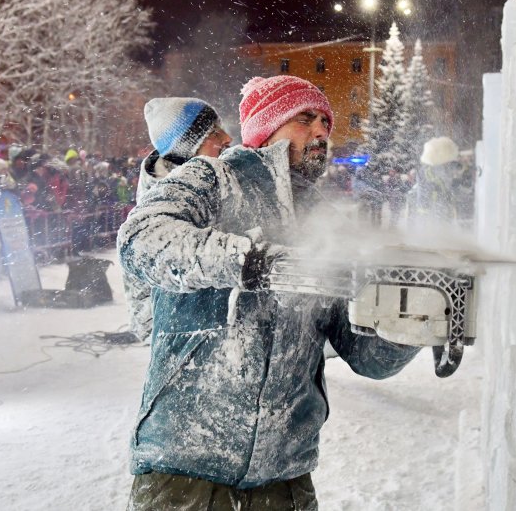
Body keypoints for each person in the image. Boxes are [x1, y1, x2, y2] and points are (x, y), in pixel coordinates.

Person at [118, 75, 420, 510]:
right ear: (267, 127)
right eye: (305, 118)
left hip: (284, 478)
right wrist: (250, 261)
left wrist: (408, 322)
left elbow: (364, 354)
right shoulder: (213, 180)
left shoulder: (327, 223)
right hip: (184, 466)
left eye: (326, 123)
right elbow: (141, 239)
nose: (321, 132)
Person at [123, 97, 233, 342]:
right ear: (186, 149)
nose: (227, 138)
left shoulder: (217, 185)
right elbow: (144, 315)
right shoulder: (157, 214)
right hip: (196, 350)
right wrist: (180, 338)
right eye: (214, 133)